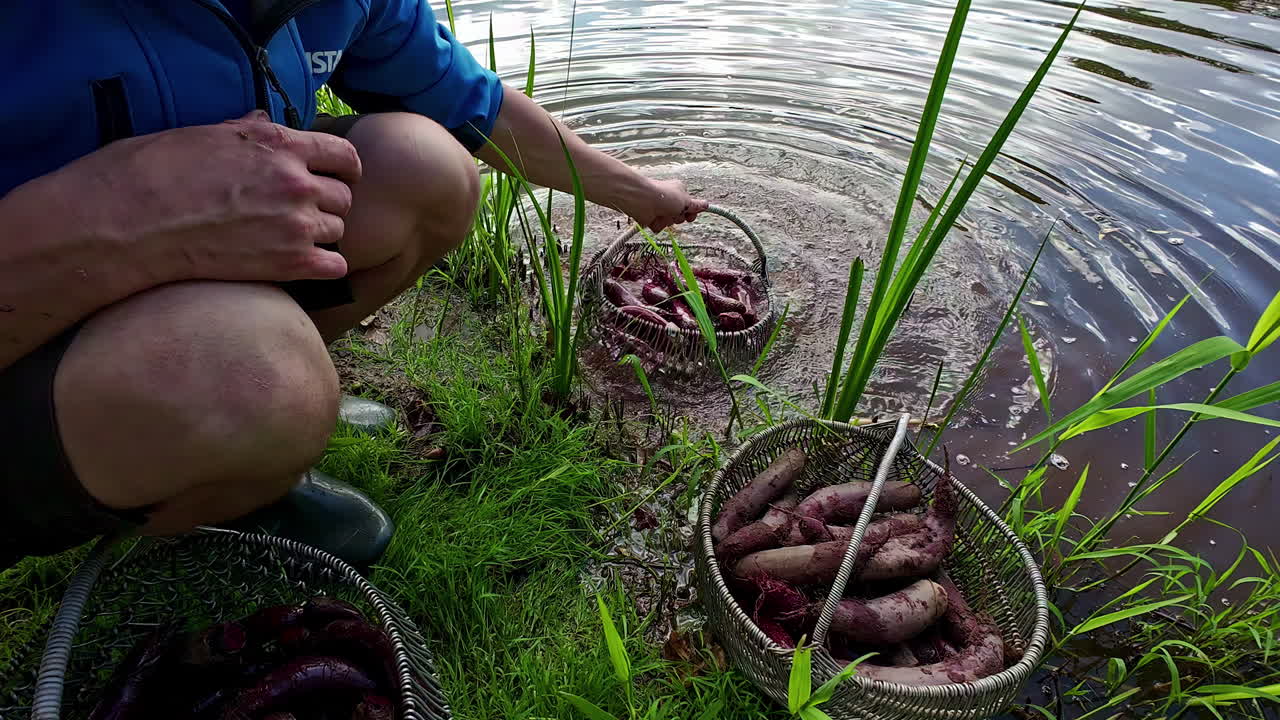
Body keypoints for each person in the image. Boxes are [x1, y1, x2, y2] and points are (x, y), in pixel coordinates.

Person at [0, 1, 707, 571]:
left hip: (163, 283)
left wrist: (639, 194)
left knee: (423, 169)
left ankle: (234, 454)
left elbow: (478, 109)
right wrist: (128, 210)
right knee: (260, 378)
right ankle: (221, 432)